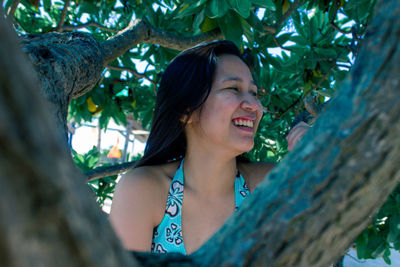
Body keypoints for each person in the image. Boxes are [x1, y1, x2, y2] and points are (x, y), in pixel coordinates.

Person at [109, 40, 308, 255]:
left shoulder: (270, 184)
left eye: (254, 93)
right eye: (233, 88)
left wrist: (315, 159)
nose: (254, 105)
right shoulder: (142, 191)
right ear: (187, 111)